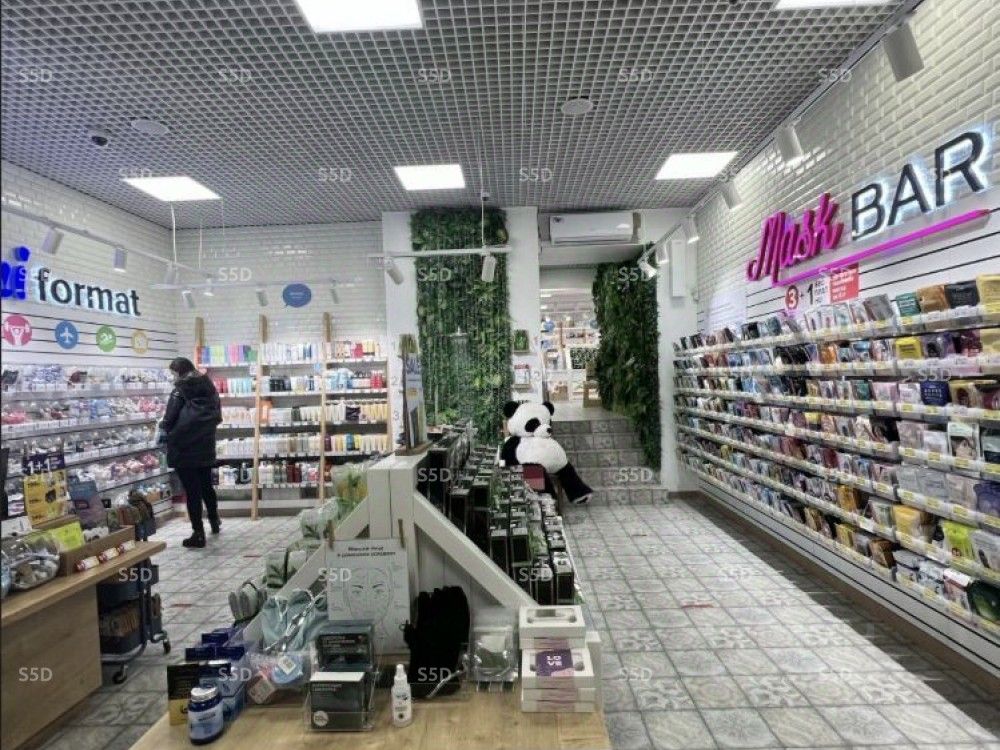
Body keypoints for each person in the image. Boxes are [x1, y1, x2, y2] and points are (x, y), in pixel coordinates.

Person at [159, 357, 222, 548]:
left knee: (192, 491)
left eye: (173, 373)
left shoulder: (180, 391)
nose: (173, 377)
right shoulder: (209, 387)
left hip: (184, 447)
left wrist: (162, 427)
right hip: (205, 445)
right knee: (206, 486)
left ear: (179, 372)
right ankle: (214, 521)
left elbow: (169, 418)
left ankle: (198, 533)